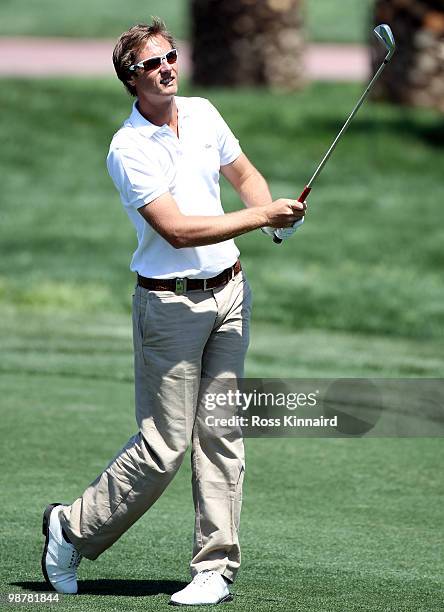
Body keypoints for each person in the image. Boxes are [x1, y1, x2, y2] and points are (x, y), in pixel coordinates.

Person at [40, 18, 305, 606]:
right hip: (169, 303)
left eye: (170, 56)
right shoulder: (128, 147)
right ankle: (70, 529)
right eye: (151, 64)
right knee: (164, 446)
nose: (166, 68)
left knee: (223, 433)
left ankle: (214, 568)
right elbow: (177, 231)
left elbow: (245, 175)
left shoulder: (205, 112)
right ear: (130, 80)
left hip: (231, 291)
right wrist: (262, 218)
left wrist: (273, 215)